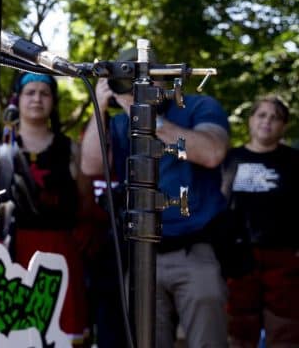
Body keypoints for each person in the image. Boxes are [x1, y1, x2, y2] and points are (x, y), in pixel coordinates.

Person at [80, 48, 231, 348]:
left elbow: (212, 153)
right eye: (128, 79)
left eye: (144, 77)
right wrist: (100, 104)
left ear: (162, 77)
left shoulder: (198, 106)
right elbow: (90, 166)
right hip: (140, 254)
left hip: (195, 250)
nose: (138, 86)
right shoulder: (122, 120)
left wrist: (146, 116)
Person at [0, 72, 90, 342]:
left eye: (44, 93)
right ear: (19, 98)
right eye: (30, 92)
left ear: (53, 101)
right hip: (13, 252)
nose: (37, 98)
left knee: (64, 332)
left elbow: (84, 201)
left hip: (62, 251)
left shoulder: (72, 149)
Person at [222, 95, 299, 347]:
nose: (267, 121)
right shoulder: (229, 159)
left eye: (275, 117)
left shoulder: (293, 161)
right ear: (251, 120)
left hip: (283, 256)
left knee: (285, 328)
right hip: (239, 256)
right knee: (240, 329)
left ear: (283, 126)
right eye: (262, 115)